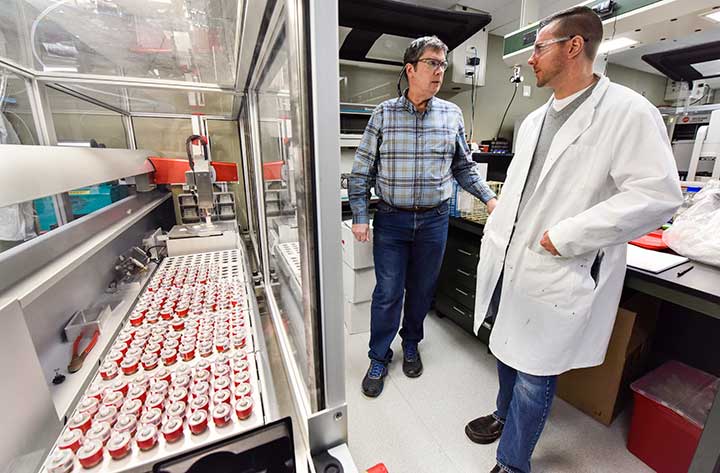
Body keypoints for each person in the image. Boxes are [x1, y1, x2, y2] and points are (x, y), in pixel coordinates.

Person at [463, 7, 683, 473]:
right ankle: (503, 415)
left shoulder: (627, 111)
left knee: (534, 369)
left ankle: (513, 462)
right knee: (505, 344)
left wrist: (566, 236)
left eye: (539, 48)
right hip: (512, 259)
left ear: (574, 46)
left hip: (561, 264)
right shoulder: (532, 121)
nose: (530, 60)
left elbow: (658, 195)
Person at [348, 36, 498, 398]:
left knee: (422, 290)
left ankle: (411, 342)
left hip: (434, 221)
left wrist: (490, 199)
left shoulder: (451, 114)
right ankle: (379, 355)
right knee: (387, 292)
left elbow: (464, 166)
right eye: (432, 63)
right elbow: (361, 170)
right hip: (392, 220)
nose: (440, 71)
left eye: (443, 64)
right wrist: (360, 215)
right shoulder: (383, 113)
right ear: (411, 69)